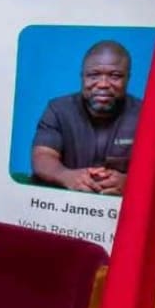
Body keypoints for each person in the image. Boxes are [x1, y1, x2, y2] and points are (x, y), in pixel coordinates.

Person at [31, 40, 140, 196]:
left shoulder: (147, 115)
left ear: (128, 78)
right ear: (82, 77)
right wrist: (66, 176)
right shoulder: (58, 110)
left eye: (115, 76)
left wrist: (131, 182)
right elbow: (42, 156)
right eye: (93, 75)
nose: (103, 84)